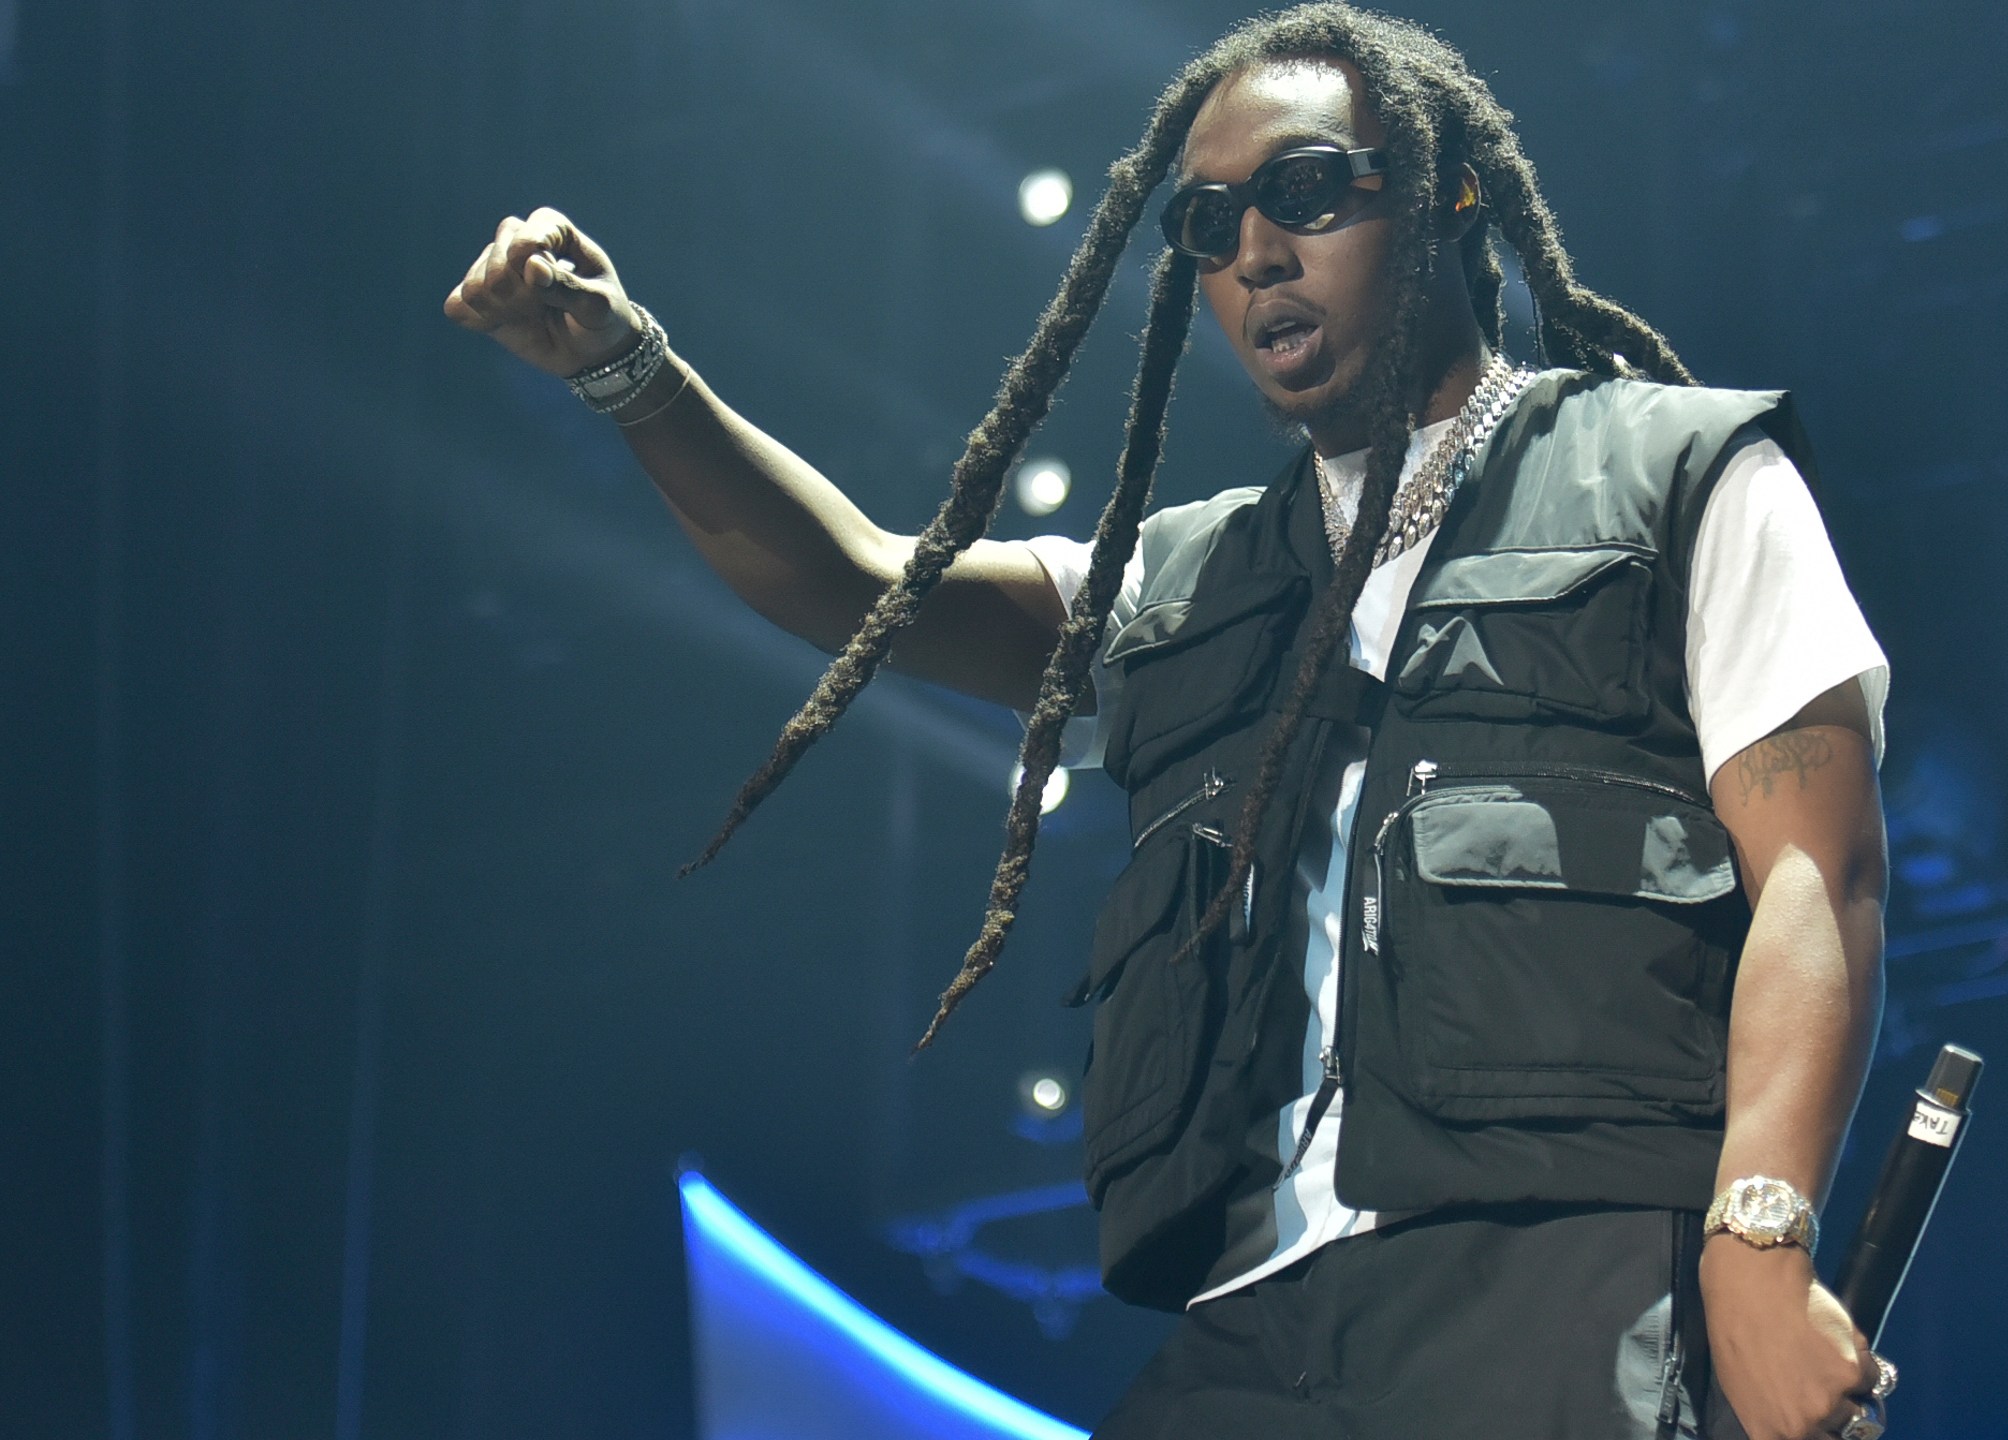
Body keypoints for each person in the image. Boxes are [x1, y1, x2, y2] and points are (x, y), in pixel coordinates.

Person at [446, 7, 1893, 1437]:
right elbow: (856, 584)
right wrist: (626, 371)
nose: (1256, 248)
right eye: (1208, 227)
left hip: (1560, 1270)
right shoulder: (1185, 583)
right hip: (1253, 1330)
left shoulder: (1676, 475)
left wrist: (1755, 1244)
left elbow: (1817, 876)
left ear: (1452, 189)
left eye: (1308, 190)